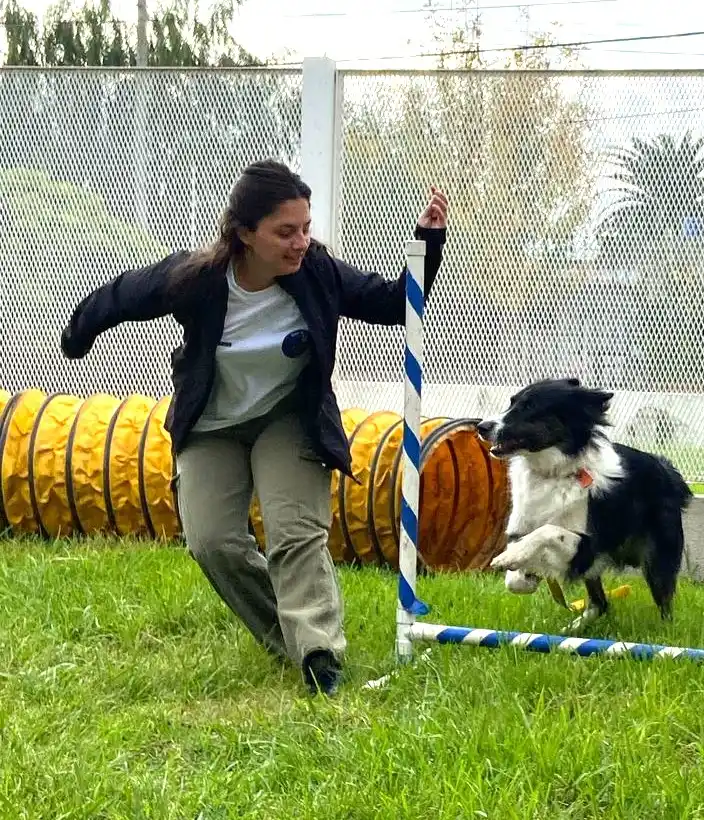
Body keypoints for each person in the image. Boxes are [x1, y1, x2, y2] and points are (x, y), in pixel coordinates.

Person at [59, 159, 448, 697]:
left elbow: (394, 302)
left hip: (288, 416)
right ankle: (288, 637)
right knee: (212, 542)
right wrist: (78, 335)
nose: (300, 242)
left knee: (295, 532)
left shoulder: (318, 272)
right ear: (245, 233)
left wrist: (428, 243)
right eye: (285, 232)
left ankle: (319, 656)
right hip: (212, 425)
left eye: (306, 227)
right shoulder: (197, 279)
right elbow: (125, 294)